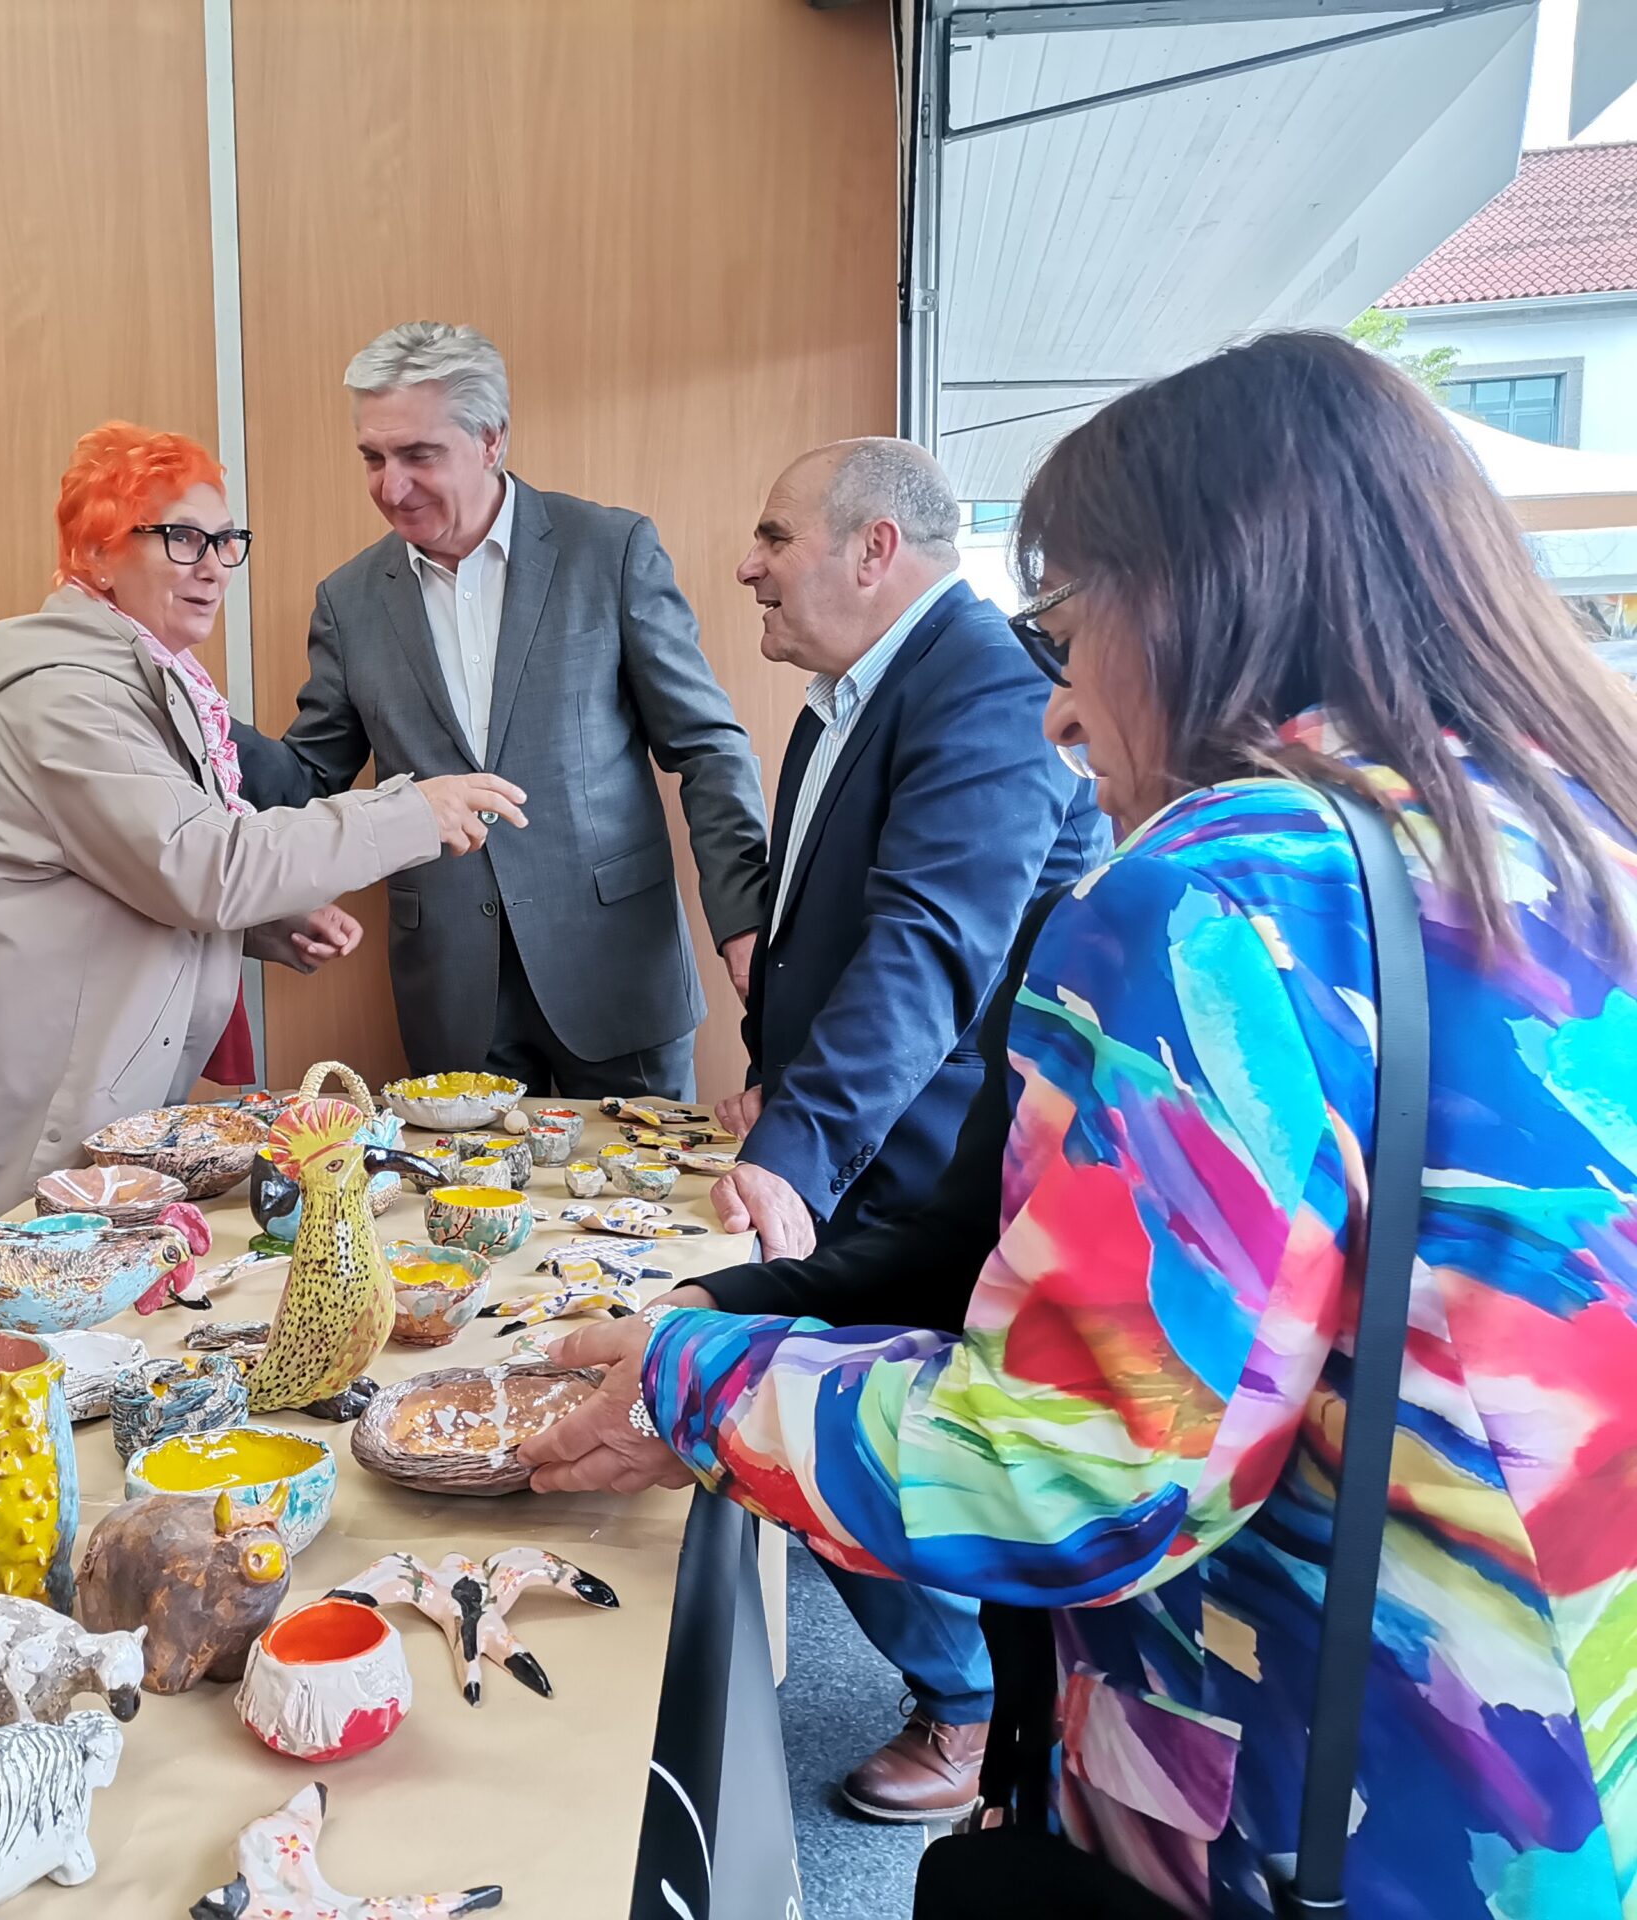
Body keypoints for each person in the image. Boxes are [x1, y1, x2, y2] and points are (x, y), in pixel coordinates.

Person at [523, 330, 1637, 1918]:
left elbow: (1064, 1478)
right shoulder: (1565, 832)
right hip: (1558, 1757)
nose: (1055, 718)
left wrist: (691, 1375)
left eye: (1066, 632)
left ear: (1193, 598)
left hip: (1327, 1795)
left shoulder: (1217, 893)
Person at [690, 438, 1105, 1822]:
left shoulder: (984, 677)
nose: (746, 563)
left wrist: (797, 1150)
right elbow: (837, 923)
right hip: (871, 1135)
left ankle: (976, 1711)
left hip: (937, 1162)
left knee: (861, 1423)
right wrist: (778, 1079)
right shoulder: (841, 695)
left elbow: (932, 943)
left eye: (772, 532)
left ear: (876, 549)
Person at [0, 423, 524, 1251]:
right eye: (182, 537)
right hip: (28, 1135)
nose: (215, 565)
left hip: (77, 1112)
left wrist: (260, 923)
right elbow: (202, 864)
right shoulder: (66, 700)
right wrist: (408, 813)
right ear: (96, 554)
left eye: (227, 541)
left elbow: (137, 871)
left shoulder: (142, 683)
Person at [229, 322, 766, 1099]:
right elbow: (310, 774)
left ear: (492, 441)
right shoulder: (347, 601)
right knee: (472, 1219)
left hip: (615, 973)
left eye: (419, 455)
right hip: (452, 990)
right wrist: (200, 712)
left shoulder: (609, 551)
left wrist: (744, 919)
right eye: (373, 458)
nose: (391, 485)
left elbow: (709, 746)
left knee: (641, 1218)